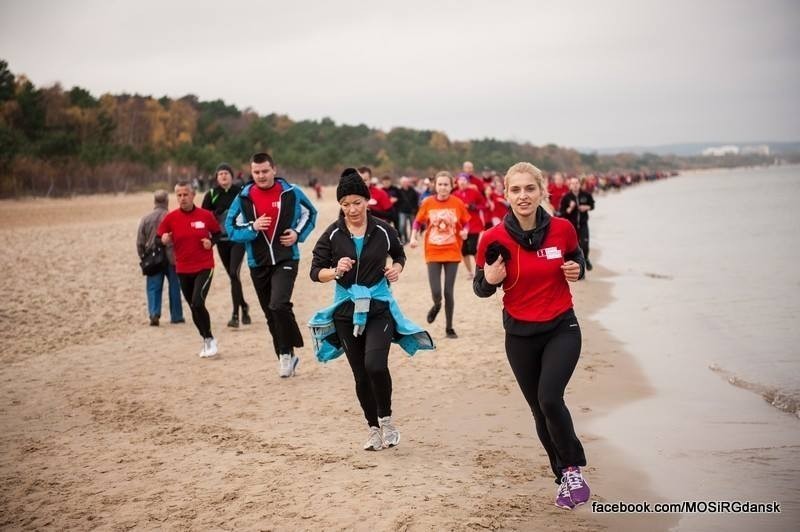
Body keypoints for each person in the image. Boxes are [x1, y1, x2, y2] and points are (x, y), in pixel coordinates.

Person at [473, 162, 590, 510]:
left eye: (529, 189)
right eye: (516, 190)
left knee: (550, 398)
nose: (523, 196)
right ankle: (562, 475)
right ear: (505, 194)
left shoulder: (562, 228)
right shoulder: (493, 238)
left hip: (561, 327)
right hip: (520, 335)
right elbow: (481, 287)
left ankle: (573, 468)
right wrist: (490, 280)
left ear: (542, 191)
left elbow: (577, 258)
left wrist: (576, 269)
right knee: (539, 411)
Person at [309, 169, 434, 451]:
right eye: (345, 204)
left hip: (378, 307)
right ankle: (373, 428)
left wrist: (396, 269)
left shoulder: (382, 230)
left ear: (367, 201)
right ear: (340, 205)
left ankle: (387, 420)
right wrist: (334, 271)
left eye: (357, 202)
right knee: (360, 373)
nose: (352, 209)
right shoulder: (332, 235)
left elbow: (399, 254)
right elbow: (315, 271)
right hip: (345, 310)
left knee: (375, 365)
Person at [226, 152, 318, 378]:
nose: (260, 176)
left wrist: (297, 234)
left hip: (286, 258)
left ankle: (291, 345)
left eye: (265, 171)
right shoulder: (244, 196)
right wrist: (252, 227)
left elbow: (311, 214)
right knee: (270, 313)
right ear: (251, 172)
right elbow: (230, 228)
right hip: (257, 262)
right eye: (256, 172)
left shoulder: (291, 192)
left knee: (278, 304)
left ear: (274, 170)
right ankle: (285, 356)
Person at [158, 181, 221, 357]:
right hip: (182, 268)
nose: (182, 198)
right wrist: (163, 239)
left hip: (204, 266)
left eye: (185, 194)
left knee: (198, 302)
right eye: (179, 195)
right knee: (193, 307)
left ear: (193, 195)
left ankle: (209, 339)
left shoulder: (206, 215)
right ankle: (207, 339)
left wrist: (211, 242)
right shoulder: (171, 218)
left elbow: (218, 233)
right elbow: (159, 237)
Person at [409, 171, 471, 339]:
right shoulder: (428, 202)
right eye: (440, 184)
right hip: (433, 251)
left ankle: (449, 327)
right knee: (436, 291)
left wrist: (465, 231)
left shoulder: (457, 203)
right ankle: (436, 305)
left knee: (448, 291)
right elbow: (417, 221)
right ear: (435, 186)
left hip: (452, 251)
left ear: (452, 186)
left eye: (446, 184)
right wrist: (413, 236)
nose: (443, 187)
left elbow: (467, 222)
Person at [202, 163, 252, 328]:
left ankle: (235, 315)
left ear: (232, 176)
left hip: (238, 239)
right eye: (220, 174)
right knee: (233, 277)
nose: (223, 176)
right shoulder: (211, 195)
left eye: (226, 173)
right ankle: (244, 306)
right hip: (221, 241)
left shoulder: (240, 192)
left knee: (233, 272)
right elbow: (203, 218)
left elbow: (250, 211)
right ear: (216, 178)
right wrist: (214, 214)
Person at [136, 189, 184, 327]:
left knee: (153, 287)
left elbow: (140, 242)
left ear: (155, 202)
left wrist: (143, 257)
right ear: (167, 201)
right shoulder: (172, 216)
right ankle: (176, 316)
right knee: (174, 287)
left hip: (153, 258)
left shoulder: (146, 219)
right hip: (172, 258)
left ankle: (154, 313)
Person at [452, 174, 487, 279]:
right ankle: (470, 272)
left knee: (473, 249)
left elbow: (484, 205)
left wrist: (474, 207)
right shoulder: (454, 194)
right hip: (459, 225)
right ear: (457, 183)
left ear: (467, 182)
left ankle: (479, 270)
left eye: (464, 181)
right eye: (460, 181)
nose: (462, 183)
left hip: (473, 224)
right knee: (464, 250)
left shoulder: (474, 192)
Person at [559, 176, 595, 271]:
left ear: (580, 184)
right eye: (572, 184)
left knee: (585, 245)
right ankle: (580, 267)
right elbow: (561, 213)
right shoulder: (566, 197)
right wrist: (570, 208)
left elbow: (592, 205)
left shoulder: (586, 195)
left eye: (576, 183)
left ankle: (586, 259)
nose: (575, 185)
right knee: (575, 247)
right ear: (570, 186)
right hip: (571, 226)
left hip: (583, 224)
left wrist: (586, 207)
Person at [395, 176, 419, 245]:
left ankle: (412, 238)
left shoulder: (413, 191)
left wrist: (415, 209)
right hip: (402, 211)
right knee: (402, 226)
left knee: (413, 226)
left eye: (406, 182)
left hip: (412, 211)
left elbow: (416, 201)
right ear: (401, 183)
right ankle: (404, 239)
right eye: (403, 182)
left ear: (408, 183)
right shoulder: (399, 191)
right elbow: (397, 201)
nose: (405, 183)